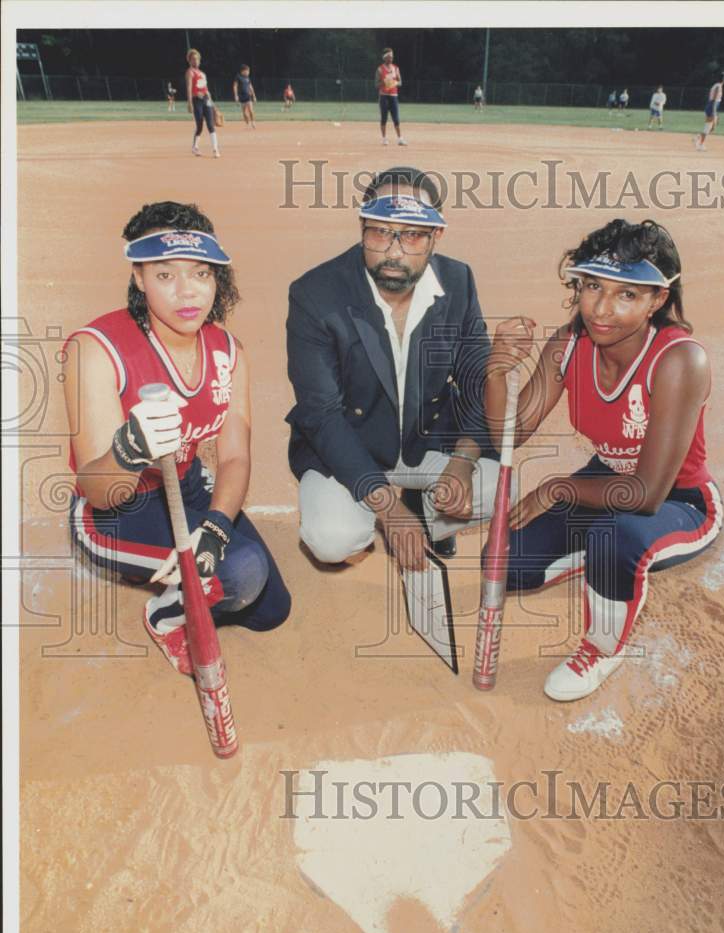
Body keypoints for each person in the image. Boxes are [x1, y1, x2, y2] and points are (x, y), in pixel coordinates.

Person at [485, 219, 723, 702]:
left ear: (657, 299)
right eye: (593, 286)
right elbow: (508, 436)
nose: (602, 308)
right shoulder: (570, 343)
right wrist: (496, 371)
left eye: (627, 295)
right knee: (507, 565)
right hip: (608, 479)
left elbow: (646, 493)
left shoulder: (679, 359)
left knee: (615, 535)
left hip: (676, 500)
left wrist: (559, 488)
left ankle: (601, 648)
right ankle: (595, 557)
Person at [63, 201, 291, 675]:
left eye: (201, 274)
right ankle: (166, 614)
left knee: (270, 609)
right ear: (139, 277)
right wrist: (130, 448)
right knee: (240, 572)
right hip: (116, 508)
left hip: (184, 485)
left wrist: (214, 529)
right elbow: (97, 489)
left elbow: (233, 457)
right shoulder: (96, 349)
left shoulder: (228, 351)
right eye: (165, 275)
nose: (188, 292)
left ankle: (192, 582)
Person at [285, 166, 506, 572]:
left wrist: (461, 464)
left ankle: (427, 511)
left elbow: (477, 385)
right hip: (349, 449)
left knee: (499, 487)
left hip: (429, 442)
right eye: (380, 232)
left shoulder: (458, 282)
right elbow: (320, 414)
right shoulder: (314, 294)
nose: (393, 250)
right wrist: (386, 506)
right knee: (331, 540)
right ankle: (385, 507)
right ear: (363, 227)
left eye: (412, 234)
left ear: (436, 237)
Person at [185, 48, 220, 158]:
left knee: (210, 124)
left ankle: (215, 149)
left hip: (206, 100)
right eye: (193, 59)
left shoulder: (202, 74)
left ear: (200, 60)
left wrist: (213, 105)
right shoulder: (190, 72)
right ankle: (195, 147)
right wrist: (190, 102)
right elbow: (189, 87)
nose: (195, 61)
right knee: (199, 125)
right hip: (196, 101)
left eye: (197, 59)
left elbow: (206, 90)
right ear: (189, 61)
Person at [375, 48, 407, 146]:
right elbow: (376, 84)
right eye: (389, 56)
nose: (391, 58)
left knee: (396, 118)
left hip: (393, 96)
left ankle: (400, 139)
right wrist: (384, 82)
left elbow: (400, 82)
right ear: (384, 58)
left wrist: (394, 82)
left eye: (392, 56)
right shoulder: (380, 69)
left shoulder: (396, 68)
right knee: (384, 118)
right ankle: (384, 139)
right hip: (384, 96)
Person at [695, 71, 724, 150]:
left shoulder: (716, 85)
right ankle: (700, 145)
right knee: (709, 127)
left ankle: (697, 137)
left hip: (711, 106)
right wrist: (714, 112)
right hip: (712, 107)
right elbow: (715, 100)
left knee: (711, 127)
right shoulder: (718, 86)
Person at [233, 64, 257, 128]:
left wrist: (254, 95)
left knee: (251, 110)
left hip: (248, 96)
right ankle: (247, 123)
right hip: (241, 97)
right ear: (243, 71)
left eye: (248, 71)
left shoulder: (248, 78)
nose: (248, 72)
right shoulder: (238, 77)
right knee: (244, 112)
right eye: (247, 71)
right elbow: (235, 86)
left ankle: (253, 122)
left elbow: (250, 86)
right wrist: (236, 96)